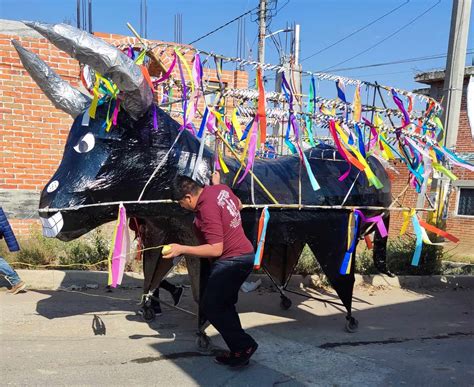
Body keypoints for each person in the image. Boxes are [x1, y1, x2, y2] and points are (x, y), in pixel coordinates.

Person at [162, 171, 258, 368]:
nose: (181, 206)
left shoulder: (207, 209)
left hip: (232, 261)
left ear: (188, 197)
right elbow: (238, 205)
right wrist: (218, 184)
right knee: (224, 305)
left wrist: (182, 249)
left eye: (180, 202)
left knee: (211, 306)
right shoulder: (220, 189)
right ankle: (240, 349)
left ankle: (244, 345)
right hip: (244, 255)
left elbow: (216, 249)